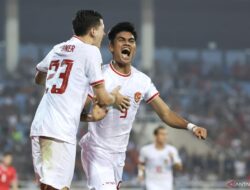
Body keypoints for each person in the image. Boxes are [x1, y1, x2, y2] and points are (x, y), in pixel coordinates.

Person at [79, 22, 207, 190]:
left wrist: (191, 126)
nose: (127, 43)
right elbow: (76, 110)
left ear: (135, 47)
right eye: (121, 40)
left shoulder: (142, 81)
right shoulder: (100, 76)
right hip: (96, 150)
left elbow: (166, 113)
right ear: (111, 46)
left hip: (118, 155)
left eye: (131, 41)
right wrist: (91, 117)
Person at [30, 10, 130, 190]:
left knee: (47, 186)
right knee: (58, 187)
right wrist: (115, 97)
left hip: (40, 125)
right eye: (102, 29)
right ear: (93, 31)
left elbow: (38, 78)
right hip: (59, 131)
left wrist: (62, 88)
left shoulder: (58, 48)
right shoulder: (91, 52)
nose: (104, 34)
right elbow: (102, 97)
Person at [138, 126, 182, 190]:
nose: (165, 137)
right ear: (155, 136)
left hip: (166, 183)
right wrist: (140, 174)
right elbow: (141, 164)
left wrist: (174, 159)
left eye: (166, 134)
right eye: (162, 134)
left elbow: (179, 168)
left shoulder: (172, 150)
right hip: (151, 183)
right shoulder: (145, 150)